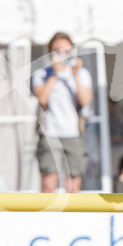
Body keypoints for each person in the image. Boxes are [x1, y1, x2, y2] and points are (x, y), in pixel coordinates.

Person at [32, 31, 93, 192]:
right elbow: (42, 99)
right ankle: (46, 216)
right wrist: (54, 74)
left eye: (66, 50)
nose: (62, 55)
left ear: (73, 51)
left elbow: (85, 100)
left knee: (74, 183)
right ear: (49, 53)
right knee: (48, 182)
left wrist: (74, 74)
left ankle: (72, 217)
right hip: (49, 132)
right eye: (57, 51)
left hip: (73, 132)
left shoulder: (82, 74)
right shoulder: (42, 75)